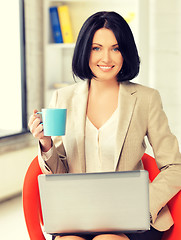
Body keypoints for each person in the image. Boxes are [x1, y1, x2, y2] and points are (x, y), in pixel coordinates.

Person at [28, 11, 181, 240]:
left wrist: (143, 204)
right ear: (84, 51)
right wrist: (46, 143)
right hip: (77, 217)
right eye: (96, 48)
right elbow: (59, 176)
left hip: (133, 218)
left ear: (125, 52)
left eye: (116, 48)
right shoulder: (63, 99)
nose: (106, 58)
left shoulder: (146, 99)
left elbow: (175, 166)